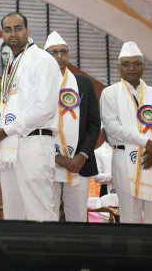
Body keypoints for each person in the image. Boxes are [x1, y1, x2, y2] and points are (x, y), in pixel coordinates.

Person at [0, 12, 62, 221]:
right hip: (11, 147)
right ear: (2, 34)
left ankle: (44, 255)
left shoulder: (42, 60)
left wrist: (5, 130)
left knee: (40, 213)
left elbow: (44, 109)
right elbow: (20, 106)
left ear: (27, 31)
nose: (13, 34)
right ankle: (19, 256)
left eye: (18, 28)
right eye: (7, 30)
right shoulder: (12, 62)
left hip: (34, 145)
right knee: (13, 214)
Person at [100, 41, 152, 224]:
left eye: (136, 63)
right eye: (126, 64)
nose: (131, 68)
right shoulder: (110, 93)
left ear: (143, 66)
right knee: (129, 215)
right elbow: (112, 128)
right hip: (125, 158)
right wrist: (147, 142)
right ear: (118, 67)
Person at [44, 31, 100, 222]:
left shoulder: (83, 83)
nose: (60, 57)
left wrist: (82, 155)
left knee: (77, 220)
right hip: (48, 162)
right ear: (45, 56)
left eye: (63, 52)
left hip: (78, 164)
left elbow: (94, 123)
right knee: (46, 218)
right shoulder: (38, 84)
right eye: (54, 52)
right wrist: (54, 156)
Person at [94, 128, 116, 196]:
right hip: (106, 190)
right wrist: (115, 177)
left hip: (125, 189)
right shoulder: (98, 152)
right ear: (102, 134)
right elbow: (97, 176)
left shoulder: (123, 149)